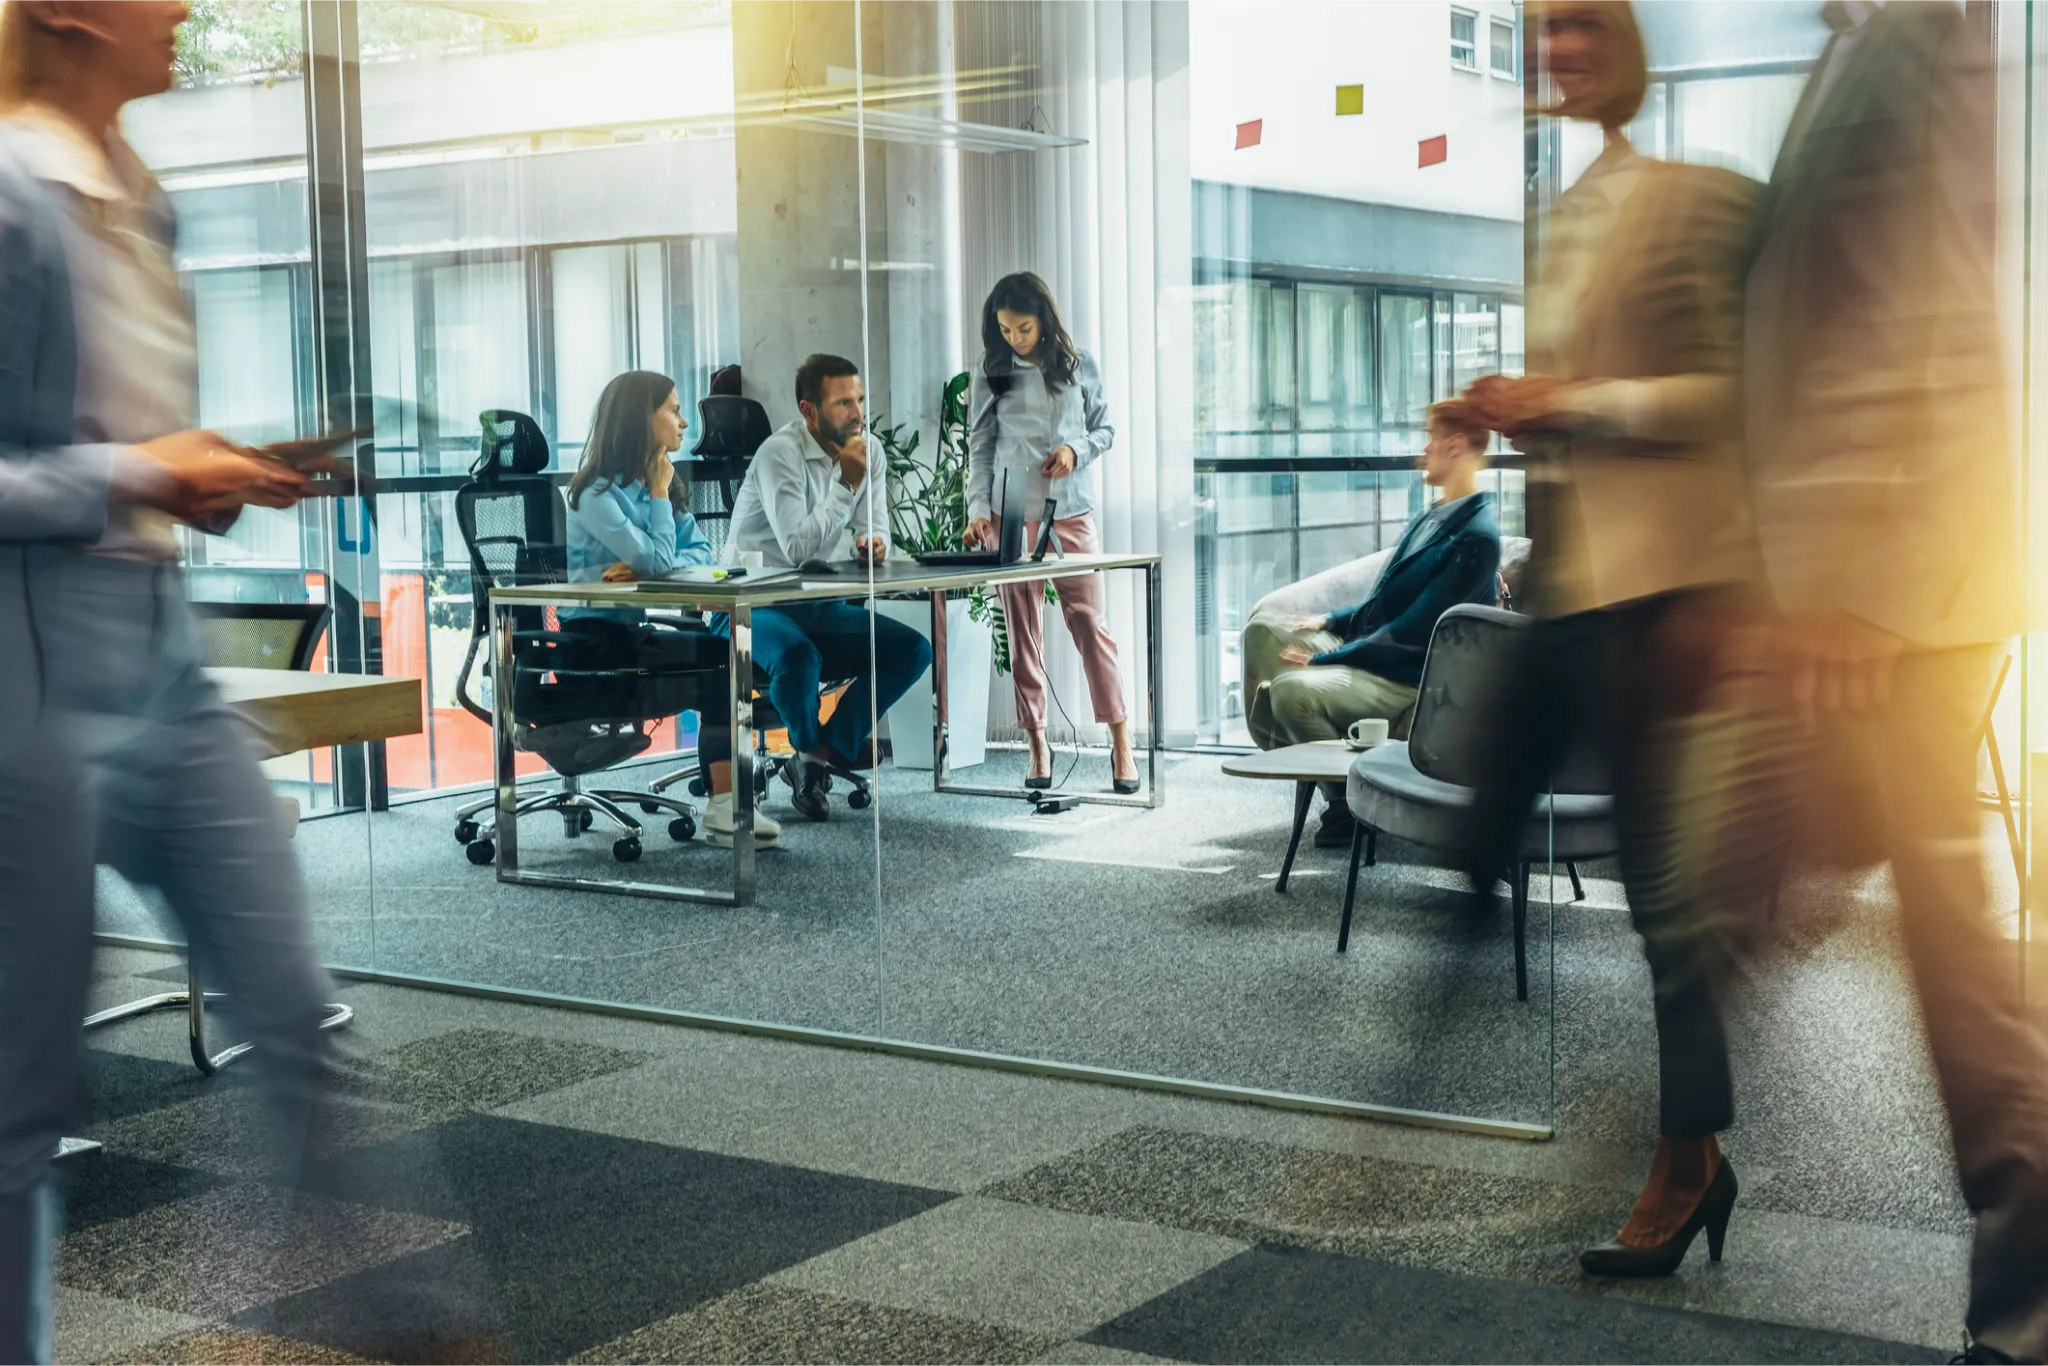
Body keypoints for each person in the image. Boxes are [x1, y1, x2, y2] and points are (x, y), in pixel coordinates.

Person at [0, 0, 339, 1356]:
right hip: (31, 665)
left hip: (160, 645)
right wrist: (143, 472)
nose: (189, 6)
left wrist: (202, 476)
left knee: (293, 1012)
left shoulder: (143, 198)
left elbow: (116, 432)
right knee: (22, 1097)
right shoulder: (11, 192)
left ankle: (358, 1322)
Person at [1744, 1, 2048, 1360]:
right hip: (1853, 589)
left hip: (1899, 599)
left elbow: (1940, 314)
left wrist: (1859, 586)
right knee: (1774, 893)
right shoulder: (1857, 43)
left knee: (1956, 957)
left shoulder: (1928, 29)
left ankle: (2031, 1294)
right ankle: (1679, 1140)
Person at [1455, 0, 1762, 1281]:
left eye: (1578, 22)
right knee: (1484, 847)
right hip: (1570, 588)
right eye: (1539, 27)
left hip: (1658, 594)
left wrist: (1569, 399)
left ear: (1624, 42)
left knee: (1662, 895)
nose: (1553, 48)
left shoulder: (1685, 201)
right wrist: (1498, 411)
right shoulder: (1561, 214)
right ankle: (1410, 1095)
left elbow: (1722, 396)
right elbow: (1567, 411)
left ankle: (1688, 1157)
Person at [1240, 402, 1502, 849]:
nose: (1424, 449)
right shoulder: (1433, 516)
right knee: (1261, 632)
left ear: (1456, 446)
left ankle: (1349, 803)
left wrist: (1326, 658)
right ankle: (1337, 772)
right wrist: (1331, 621)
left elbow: (1414, 631)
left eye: (1431, 438)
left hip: (1406, 677)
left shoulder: (1476, 537)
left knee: (1288, 693)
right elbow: (1384, 601)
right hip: (1373, 653)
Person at [717, 354, 932, 822]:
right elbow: (797, 548)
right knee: (799, 658)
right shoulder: (779, 454)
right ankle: (813, 750)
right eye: (843, 403)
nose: (857, 413)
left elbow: (875, 527)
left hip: (815, 602)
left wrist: (873, 544)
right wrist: (846, 484)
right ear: (809, 411)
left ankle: (815, 757)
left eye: (859, 400)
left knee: (912, 650)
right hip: (749, 604)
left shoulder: (869, 450)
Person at [564, 370, 774, 850]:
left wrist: (649, 561)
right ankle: (727, 804)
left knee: (722, 658)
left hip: (631, 635)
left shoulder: (658, 484)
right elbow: (659, 562)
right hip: (590, 647)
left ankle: (726, 804)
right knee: (720, 663)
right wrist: (657, 522)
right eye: (674, 410)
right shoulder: (595, 494)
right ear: (642, 417)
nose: (684, 422)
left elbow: (702, 556)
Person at [964, 273, 1136, 793]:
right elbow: (980, 447)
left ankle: (1122, 743)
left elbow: (1105, 429)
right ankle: (1037, 744)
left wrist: (1074, 451)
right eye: (1005, 330)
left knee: (1090, 626)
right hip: (1010, 511)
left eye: (1023, 328)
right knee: (1023, 635)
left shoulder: (1079, 364)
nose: (1015, 338)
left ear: (1043, 318)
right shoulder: (991, 371)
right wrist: (978, 510)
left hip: (1071, 509)